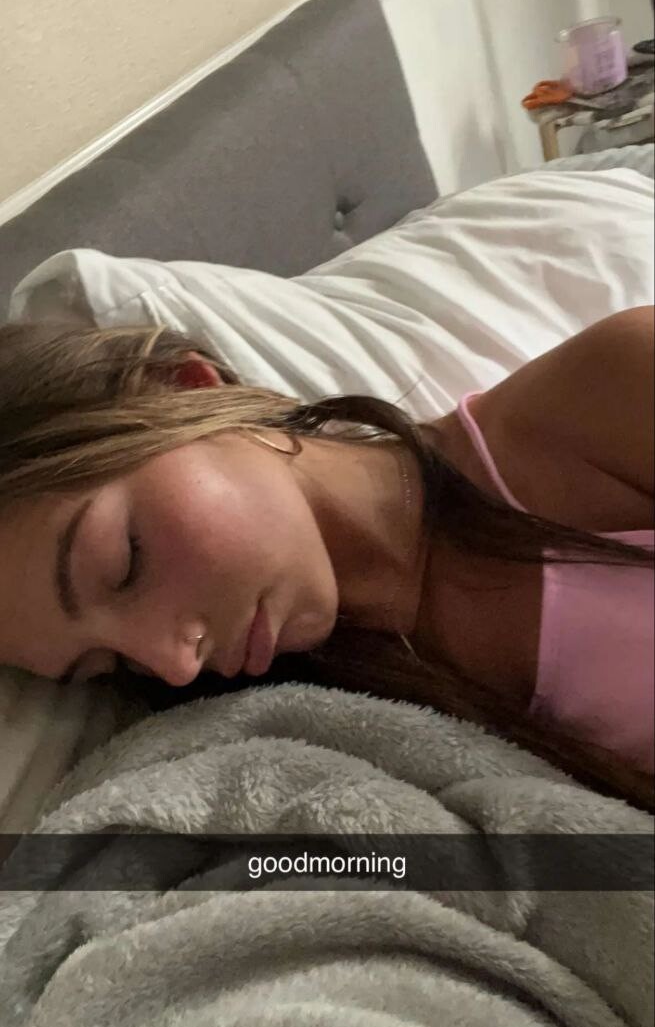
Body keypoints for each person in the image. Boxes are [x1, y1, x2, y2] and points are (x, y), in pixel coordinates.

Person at [0, 312, 653, 810]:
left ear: (184, 391)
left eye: (126, 563)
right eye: (108, 663)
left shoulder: (603, 395)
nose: (175, 664)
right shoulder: (298, 736)